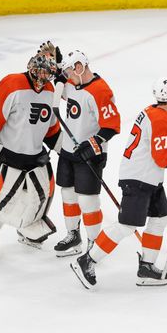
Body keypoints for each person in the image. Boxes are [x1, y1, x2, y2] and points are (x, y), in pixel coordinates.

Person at [70, 76, 167, 289]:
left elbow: (162, 134)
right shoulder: (161, 118)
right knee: (127, 225)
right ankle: (87, 260)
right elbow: (163, 157)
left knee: (161, 217)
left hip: (147, 177)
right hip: (139, 179)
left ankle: (146, 267)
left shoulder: (153, 112)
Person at [0, 45, 62, 260]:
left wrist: (68, 150)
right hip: (8, 157)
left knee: (43, 194)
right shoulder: (12, 83)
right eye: (40, 71)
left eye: (47, 73)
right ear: (31, 66)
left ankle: (30, 225)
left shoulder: (51, 92)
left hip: (35, 156)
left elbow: (50, 130)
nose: (42, 77)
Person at [52, 50, 120, 258]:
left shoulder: (100, 91)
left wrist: (92, 144)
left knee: (88, 201)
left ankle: (93, 244)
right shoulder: (73, 83)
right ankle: (73, 236)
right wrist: (57, 64)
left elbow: (111, 126)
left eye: (70, 71)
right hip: (68, 151)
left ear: (79, 68)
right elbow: (59, 85)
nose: (68, 77)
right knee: (68, 194)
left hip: (91, 154)